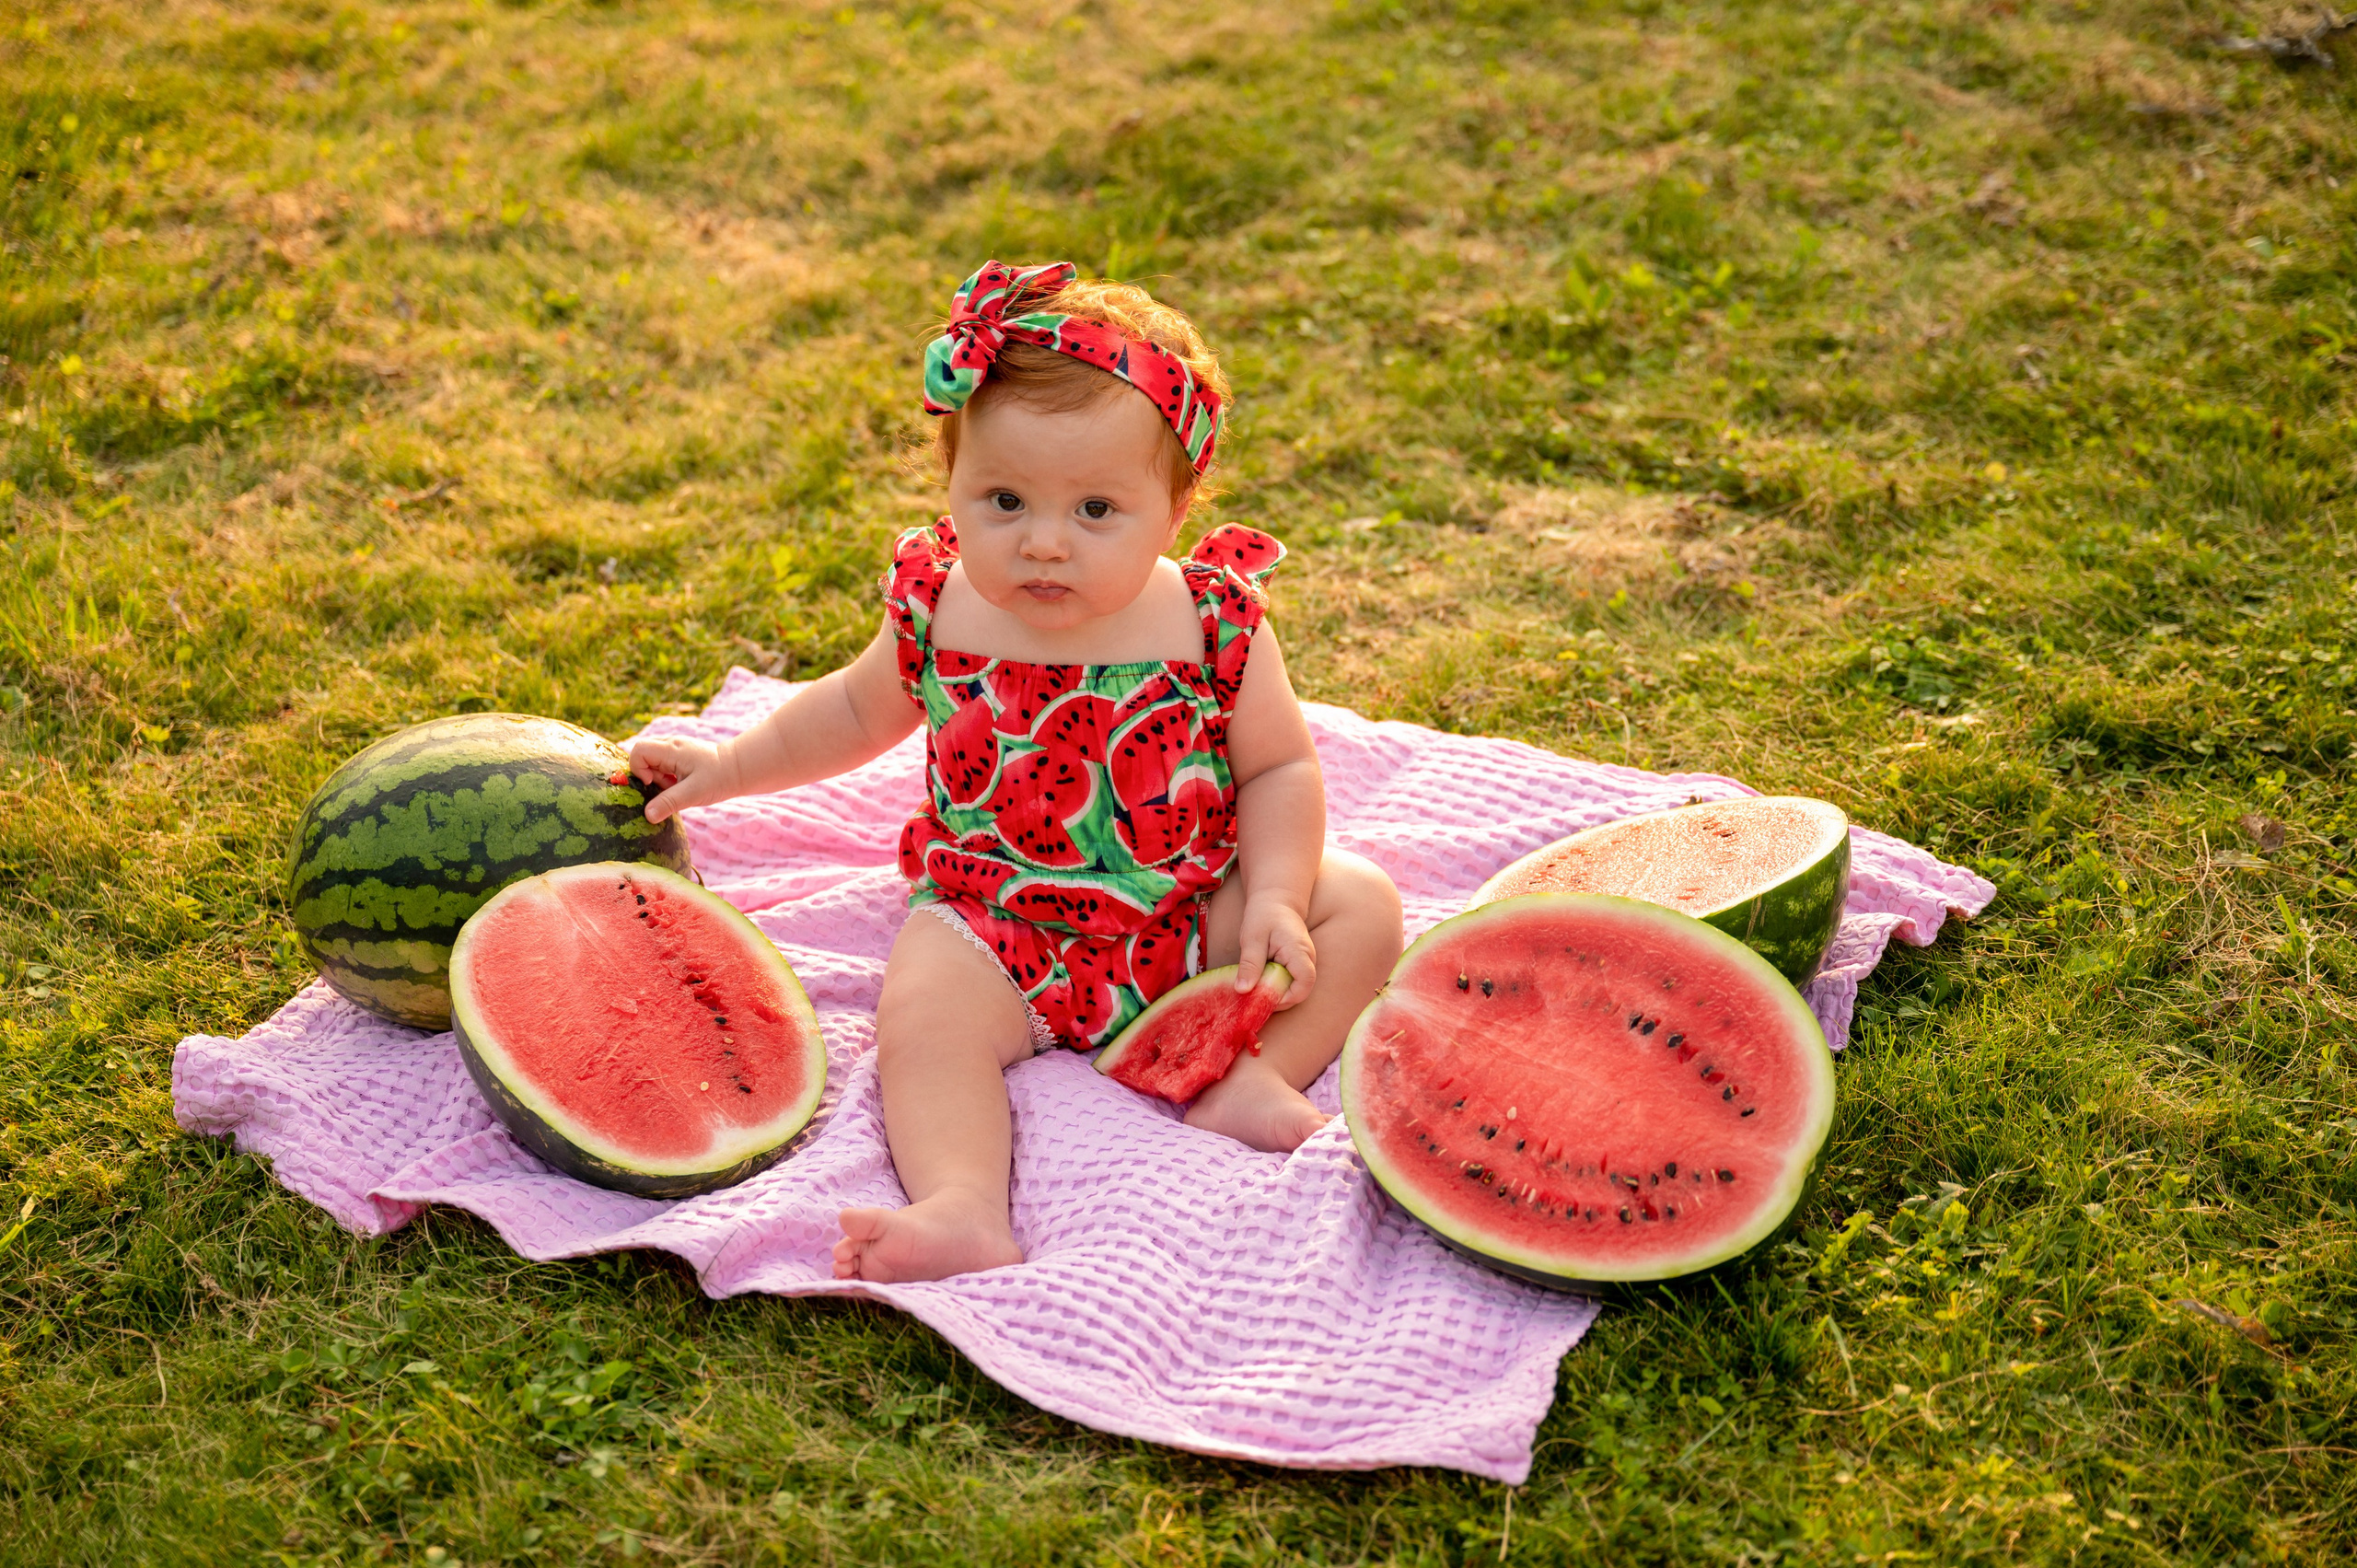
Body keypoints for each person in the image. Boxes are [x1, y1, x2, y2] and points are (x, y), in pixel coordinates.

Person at [627, 261, 1404, 1283]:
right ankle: (961, 1205)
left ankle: (1244, 1068)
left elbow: (1278, 768)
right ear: (949, 489)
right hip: (996, 921)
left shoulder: (1215, 620)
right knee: (920, 1018)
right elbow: (854, 710)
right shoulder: (938, 605)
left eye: (1095, 510)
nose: (1043, 542)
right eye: (1003, 499)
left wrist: (1274, 898)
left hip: (1184, 908)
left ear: (1173, 512)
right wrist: (726, 765)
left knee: (1362, 907)